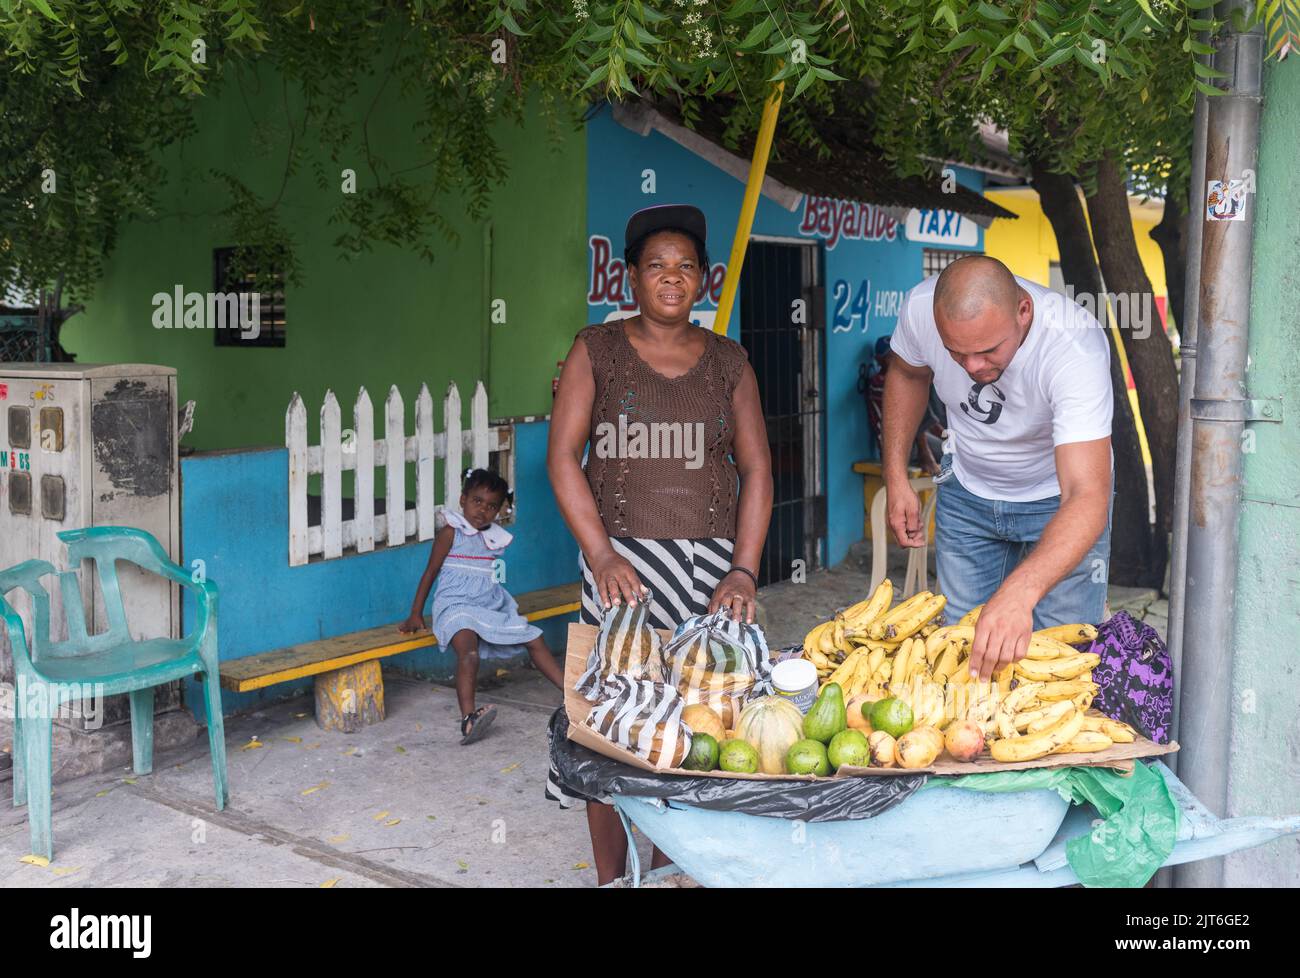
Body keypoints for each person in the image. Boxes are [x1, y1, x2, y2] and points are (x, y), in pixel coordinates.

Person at [545, 203, 773, 885]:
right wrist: (602, 553)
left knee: (697, 725)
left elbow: (758, 469)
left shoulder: (730, 363)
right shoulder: (597, 349)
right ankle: (612, 879)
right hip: (622, 574)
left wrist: (745, 571)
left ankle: (676, 871)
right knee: (610, 727)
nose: (672, 278)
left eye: (685, 268)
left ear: (702, 280)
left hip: (710, 572)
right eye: (656, 267)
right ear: (630, 279)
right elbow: (561, 458)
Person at [882, 255, 1113, 683]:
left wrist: (1019, 594)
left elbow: (1087, 495)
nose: (973, 368)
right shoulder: (919, 309)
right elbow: (907, 373)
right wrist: (895, 474)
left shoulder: (1073, 345)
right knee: (963, 657)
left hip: (1057, 503)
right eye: (957, 353)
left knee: (1058, 665)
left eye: (989, 350)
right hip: (966, 489)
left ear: (1024, 311)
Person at [399, 468, 564, 743]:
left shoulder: (495, 539)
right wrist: (416, 613)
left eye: (491, 506)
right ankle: (469, 718)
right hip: (454, 607)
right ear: (463, 499)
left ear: (498, 510)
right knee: (469, 653)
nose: (482, 511)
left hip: (486, 606)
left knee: (534, 637)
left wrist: (502, 605)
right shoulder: (451, 533)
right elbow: (430, 572)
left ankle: (570, 694)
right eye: (477, 501)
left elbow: (492, 576)